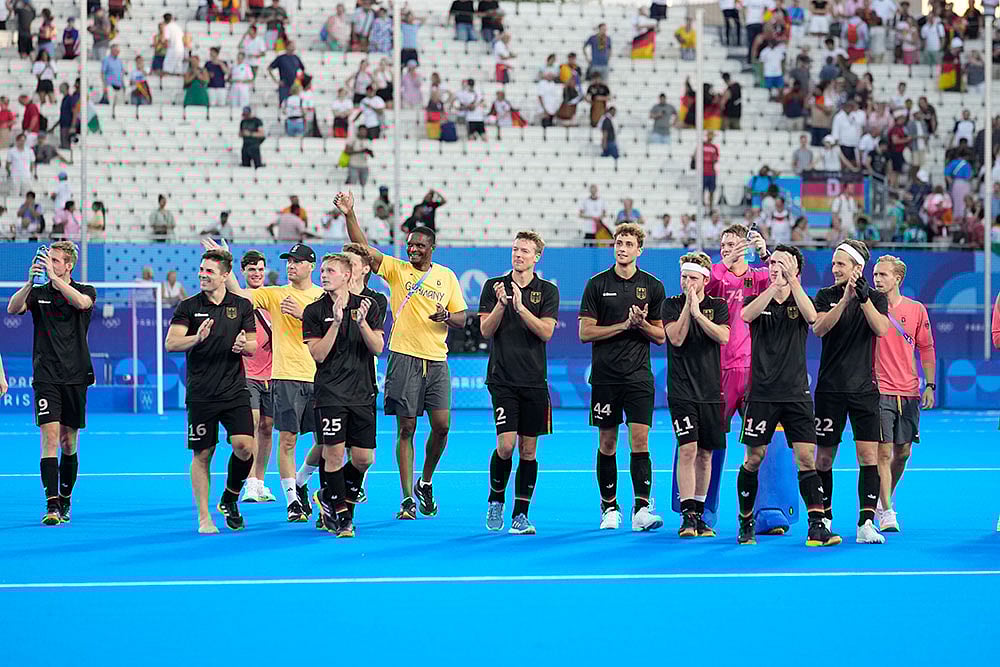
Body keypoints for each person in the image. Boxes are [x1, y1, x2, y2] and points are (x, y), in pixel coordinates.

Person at [339, 190, 468, 520]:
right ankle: (408, 498)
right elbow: (365, 251)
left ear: (431, 249)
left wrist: (447, 317)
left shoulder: (446, 276)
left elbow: (462, 318)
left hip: (436, 359)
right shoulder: (397, 270)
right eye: (410, 245)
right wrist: (350, 214)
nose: (412, 250)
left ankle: (426, 482)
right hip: (403, 356)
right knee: (406, 428)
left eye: (419, 246)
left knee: (441, 427)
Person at [209, 239, 325, 522]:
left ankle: (300, 480)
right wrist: (225, 262)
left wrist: (305, 315)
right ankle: (292, 502)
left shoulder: (323, 297)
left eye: (296, 262)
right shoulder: (275, 294)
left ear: (310, 266)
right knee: (287, 439)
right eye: (288, 262)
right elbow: (238, 294)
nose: (291, 266)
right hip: (285, 376)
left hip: (321, 376)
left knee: (326, 442)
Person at [737, 245, 841, 546]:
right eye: (772, 262)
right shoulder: (758, 297)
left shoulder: (801, 301)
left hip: (796, 393)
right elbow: (746, 314)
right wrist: (773, 286)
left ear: (796, 270)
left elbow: (813, 319)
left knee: (807, 458)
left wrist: (792, 284)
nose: (775, 266)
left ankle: (816, 526)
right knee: (754, 457)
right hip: (762, 394)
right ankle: (746, 522)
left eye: (783, 263)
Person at [579, 223, 666, 531]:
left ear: (639, 250)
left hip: (639, 377)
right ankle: (609, 507)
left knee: (640, 440)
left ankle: (641, 509)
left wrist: (640, 325)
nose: (622, 247)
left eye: (629, 243)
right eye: (618, 242)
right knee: (608, 442)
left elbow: (660, 336)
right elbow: (584, 332)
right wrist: (623, 325)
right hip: (605, 377)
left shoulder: (652, 286)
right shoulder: (596, 284)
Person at [166, 249, 257, 534]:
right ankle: (205, 517)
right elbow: (172, 343)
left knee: (245, 447)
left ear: (225, 276)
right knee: (203, 454)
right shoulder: (188, 307)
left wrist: (244, 346)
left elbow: (253, 345)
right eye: (201, 270)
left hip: (234, 389)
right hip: (201, 392)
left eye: (209, 271)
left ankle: (230, 496)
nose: (203, 275)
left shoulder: (242, 306)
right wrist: (197, 337)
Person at [6, 241, 96, 525]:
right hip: (46, 374)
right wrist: (30, 283)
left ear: (68, 265)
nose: (50, 264)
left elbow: (82, 304)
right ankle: (52, 504)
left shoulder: (84, 291)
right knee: (50, 438)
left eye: (55, 260)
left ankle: (66, 499)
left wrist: (56, 281)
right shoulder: (39, 292)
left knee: (69, 442)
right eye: (48, 259)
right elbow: (13, 308)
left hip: (76, 375)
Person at [478, 231, 559, 535]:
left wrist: (521, 307)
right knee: (506, 445)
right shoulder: (493, 286)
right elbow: (485, 331)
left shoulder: (547, 291)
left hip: (535, 381)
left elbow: (546, 332)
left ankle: (520, 514)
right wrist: (502, 304)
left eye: (525, 251)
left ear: (537, 256)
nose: (518, 255)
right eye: (515, 249)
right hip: (502, 379)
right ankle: (496, 500)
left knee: (528, 450)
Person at [812, 239, 890, 544]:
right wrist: (844, 300)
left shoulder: (876, 297)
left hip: (864, 390)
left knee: (868, 455)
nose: (834, 269)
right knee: (824, 458)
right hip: (830, 389)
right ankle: (824, 517)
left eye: (840, 264)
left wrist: (862, 299)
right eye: (833, 263)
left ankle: (865, 523)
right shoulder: (824, 296)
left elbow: (881, 329)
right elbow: (819, 329)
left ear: (858, 268)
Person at [303, 253, 385, 537]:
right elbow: (318, 355)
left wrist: (361, 323)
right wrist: (336, 323)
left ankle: (330, 496)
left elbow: (377, 348)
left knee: (364, 459)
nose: (323, 274)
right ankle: (342, 516)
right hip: (330, 393)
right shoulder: (314, 311)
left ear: (347, 275)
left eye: (330, 270)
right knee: (333, 454)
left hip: (363, 393)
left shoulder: (369, 306)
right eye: (323, 270)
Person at [662, 251, 731, 537]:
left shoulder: (719, 305)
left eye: (692, 278)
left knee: (706, 454)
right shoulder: (670, 305)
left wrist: (699, 314)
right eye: (683, 277)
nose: (687, 282)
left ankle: (701, 513)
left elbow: (723, 336)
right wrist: (688, 310)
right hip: (681, 390)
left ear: (705, 279)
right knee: (688, 449)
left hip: (711, 391)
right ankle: (687, 514)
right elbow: (676, 337)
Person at [872, 255, 935, 533]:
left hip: (908, 391)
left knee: (903, 453)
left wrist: (930, 385)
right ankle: (887, 510)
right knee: (882, 454)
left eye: (883, 274)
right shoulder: (870, 306)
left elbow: (927, 348)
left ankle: (882, 497)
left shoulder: (916, 309)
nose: (877, 279)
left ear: (897, 278)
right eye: (875, 274)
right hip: (878, 389)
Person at [236, 250, 277, 503]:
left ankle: (261, 482)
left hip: (273, 373)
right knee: (250, 424)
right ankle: (249, 482)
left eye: (260, 269)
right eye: (252, 270)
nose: (257, 274)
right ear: (243, 272)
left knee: (267, 427)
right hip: (246, 372)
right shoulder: (239, 301)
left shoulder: (272, 297)